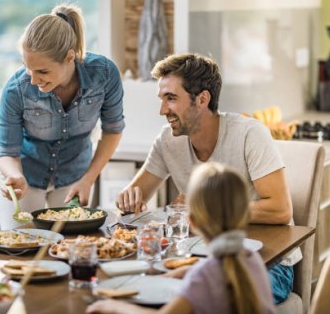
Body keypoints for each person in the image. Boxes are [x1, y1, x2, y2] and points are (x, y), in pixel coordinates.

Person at [115, 53, 299, 304]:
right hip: (205, 259)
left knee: (194, 301)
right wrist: (128, 198)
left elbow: (280, 210)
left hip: (267, 263)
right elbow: (136, 195)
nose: (162, 110)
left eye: (171, 98)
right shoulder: (168, 140)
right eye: (162, 99)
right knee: (141, 289)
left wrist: (206, 209)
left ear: (202, 99)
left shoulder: (249, 134)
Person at [0, 3, 125, 230]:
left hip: (76, 174)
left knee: (70, 248)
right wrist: (15, 176)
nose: (33, 80)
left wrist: (88, 180)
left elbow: (113, 130)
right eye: (28, 68)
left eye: (43, 71)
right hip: (27, 174)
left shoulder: (104, 75)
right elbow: (7, 152)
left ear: (69, 57)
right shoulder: (16, 89)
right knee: (22, 247)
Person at [87, 162, 276, 314]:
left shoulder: (202, 277)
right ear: (244, 213)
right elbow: (220, 270)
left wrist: (114, 307)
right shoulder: (251, 258)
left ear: (191, 221)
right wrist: (190, 268)